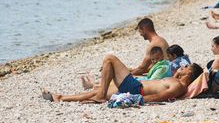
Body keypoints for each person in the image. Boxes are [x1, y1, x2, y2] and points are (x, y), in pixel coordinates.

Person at [42, 54, 203, 103]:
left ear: (190, 74)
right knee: (100, 90)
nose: (182, 68)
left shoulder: (179, 86)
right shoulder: (175, 80)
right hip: (136, 85)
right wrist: (177, 74)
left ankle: (98, 96)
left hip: (136, 89)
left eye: (186, 68)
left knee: (109, 59)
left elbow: (159, 96)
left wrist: (135, 100)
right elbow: (165, 85)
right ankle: (60, 97)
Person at [80, 18, 170, 90]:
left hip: (156, 79)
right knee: (123, 73)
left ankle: (93, 85)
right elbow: (151, 66)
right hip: (160, 75)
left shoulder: (153, 45)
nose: (140, 34)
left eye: (140, 31)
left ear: (144, 29)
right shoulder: (162, 40)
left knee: (119, 78)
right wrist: (129, 69)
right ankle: (95, 84)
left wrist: (127, 73)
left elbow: (142, 68)